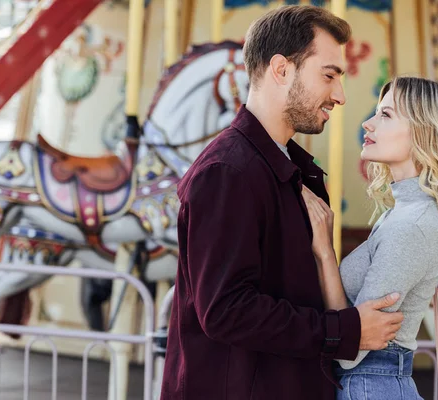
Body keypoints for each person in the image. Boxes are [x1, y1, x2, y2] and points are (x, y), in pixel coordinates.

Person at [160, 5, 405, 400]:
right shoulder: (227, 172)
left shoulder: (290, 168)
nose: (340, 95)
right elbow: (226, 310)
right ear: (281, 69)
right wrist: (345, 331)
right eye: (329, 76)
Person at [302, 76, 438, 399]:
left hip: (371, 386)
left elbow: (350, 349)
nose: (368, 124)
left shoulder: (411, 224)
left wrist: (325, 253)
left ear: (424, 131)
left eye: (385, 115)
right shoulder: (401, 213)